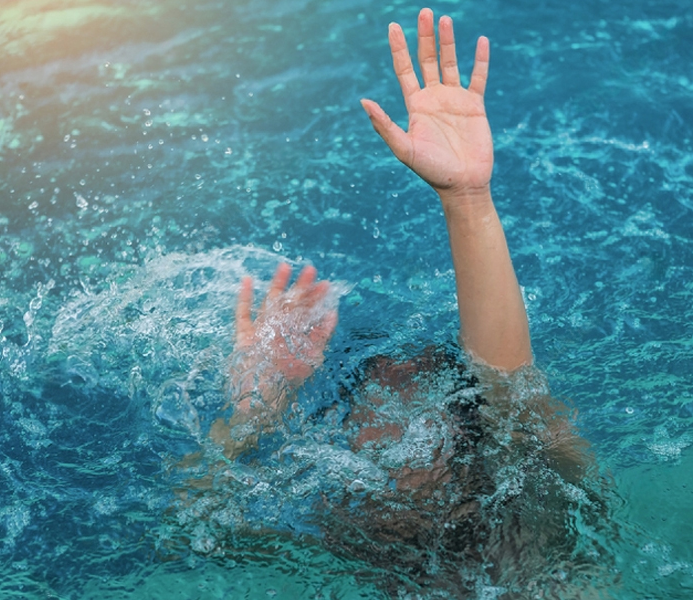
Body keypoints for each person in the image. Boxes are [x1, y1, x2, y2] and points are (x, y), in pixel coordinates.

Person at [189, 8, 614, 597]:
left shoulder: (534, 512)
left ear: (471, 444)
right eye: (372, 414)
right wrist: (249, 420)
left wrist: (468, 200)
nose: (389, 438)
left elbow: (510, 381)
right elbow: (189, 530)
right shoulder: (340, 533)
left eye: (415, 408)